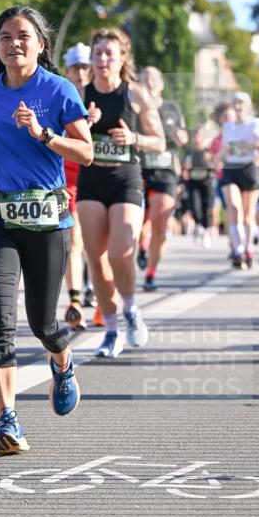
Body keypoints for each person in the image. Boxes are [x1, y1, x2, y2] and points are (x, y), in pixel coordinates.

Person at [0, 5, 93, 455]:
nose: (14, 43)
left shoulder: (58, 89)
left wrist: (44, 134)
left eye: (23, 36)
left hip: (47, 220)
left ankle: (62, 361)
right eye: (5, 37)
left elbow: (86, 154)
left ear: (41, 43)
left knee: (44, 323)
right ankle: (7, 419)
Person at [77, 30, 165, 359]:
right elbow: (59, 133)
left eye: (109, 54)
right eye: (97, 53)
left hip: (125, 178)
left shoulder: (136, 94)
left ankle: (130, 308)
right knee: (97, 261)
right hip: (91, 178)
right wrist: (84, 122)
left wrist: (134, 139)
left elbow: (161, 141)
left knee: (120, 254)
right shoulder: (79, 93)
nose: (102, 59)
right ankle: (112, 331)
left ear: (122, 58)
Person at [136, 67, 188, 291]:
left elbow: (183, 136)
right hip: (138, 168)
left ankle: (151, 273)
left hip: (165, 169)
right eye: (144, 78)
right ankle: (142, 244)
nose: (149, 81)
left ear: (161, 84)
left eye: (154, 78)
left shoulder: (172, 108)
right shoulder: (133, 106)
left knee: (162, 216)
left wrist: (181, 137)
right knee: (137, 222)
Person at [220, 91, 259, 270]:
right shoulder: (228, 126)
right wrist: (218, 157)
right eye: (235, 103)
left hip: (249, 169)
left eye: (241, 103)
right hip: (230, 169)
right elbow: (224, 149)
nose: (238, 106)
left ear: (248, 106)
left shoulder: (256, 124)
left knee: (248, 215)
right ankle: (237, 250)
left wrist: (254, 145)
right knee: (234, 210)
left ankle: (249, 248)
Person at [62, 42, 91, 330]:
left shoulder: (101, 96)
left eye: (85, 67)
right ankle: (75, 300)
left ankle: (94, 288)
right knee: (75, 239)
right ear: (68, 70)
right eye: (76, 67)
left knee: (96, 244)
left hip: (98, 176)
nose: (81, 73)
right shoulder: (60, 94)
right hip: (68, 177)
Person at [183, 125, 216, 246]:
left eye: (199, 135)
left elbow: (214, 166)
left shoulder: (208, 151)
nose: (197, 138)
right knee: (195, 207)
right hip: (193, 183)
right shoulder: (189, 152)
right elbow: (184, 168)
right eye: (195, 135)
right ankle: (199, 227)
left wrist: (210, 162)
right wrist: (185, 169)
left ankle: (206, 231)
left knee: (207, 207)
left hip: (206, 183)